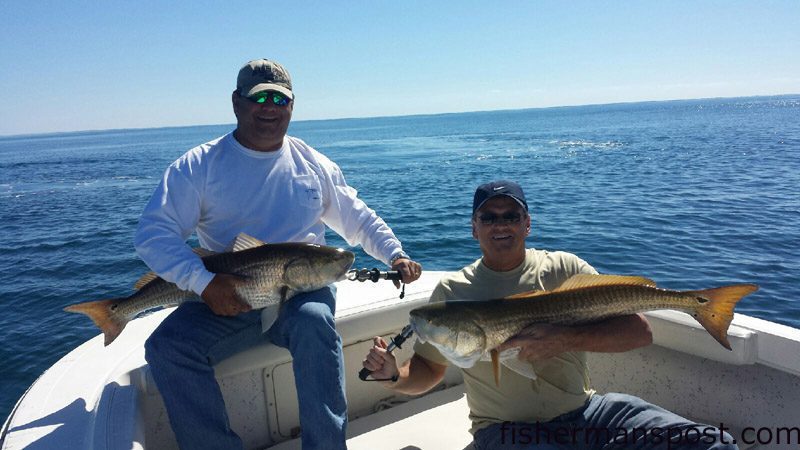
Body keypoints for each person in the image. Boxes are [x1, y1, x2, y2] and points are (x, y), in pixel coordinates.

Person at [134, 58, 422, 450]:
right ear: (236, 103)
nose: (269, 107)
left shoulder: (312, 163)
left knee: (315, 323)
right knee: (167, 348)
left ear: (292, 105)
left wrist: (394, 254)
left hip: (302, 290)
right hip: (223, 293)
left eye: (279, 98)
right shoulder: (199, 166)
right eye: (258, 98)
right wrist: (205, 283)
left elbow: (356, 216)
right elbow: (153, 233)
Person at [362, 180, 737, 449]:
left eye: (511, 215)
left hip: (585, 413)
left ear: (527, 223)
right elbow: (427, 372)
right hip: (504, 432)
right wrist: (393, 375)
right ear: (474, 228)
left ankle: (705, 305)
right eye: (489, 217)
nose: (501, 224)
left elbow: (639, 332)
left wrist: (567, 339)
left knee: (712, 444)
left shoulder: (563, 270)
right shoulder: (454, 294)